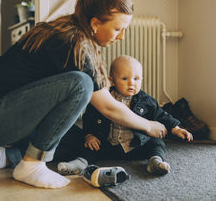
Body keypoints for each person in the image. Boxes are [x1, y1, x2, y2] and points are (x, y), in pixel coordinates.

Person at [0, 0, 167, 189]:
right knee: (81, 84)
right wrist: (148, 125)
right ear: (94, 24)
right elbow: (108, 106)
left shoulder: (67, 29)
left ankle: (2, 156)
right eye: (118, 29)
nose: (121, 37)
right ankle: (31, 165)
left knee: (75, 139)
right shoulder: (74, 43)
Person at [58, 56, 193, 176]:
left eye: (136, 79)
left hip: (136, 146)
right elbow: (89, 118)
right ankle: (80, 163)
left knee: (156, 142)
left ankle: (155, 162)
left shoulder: (146, 100)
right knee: (89, 146)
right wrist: (89, 135)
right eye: (124, 79)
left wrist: (176, 128)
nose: (131, 83)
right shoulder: (104, 98)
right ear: (112, 80)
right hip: (108, 145)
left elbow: (162, 115)